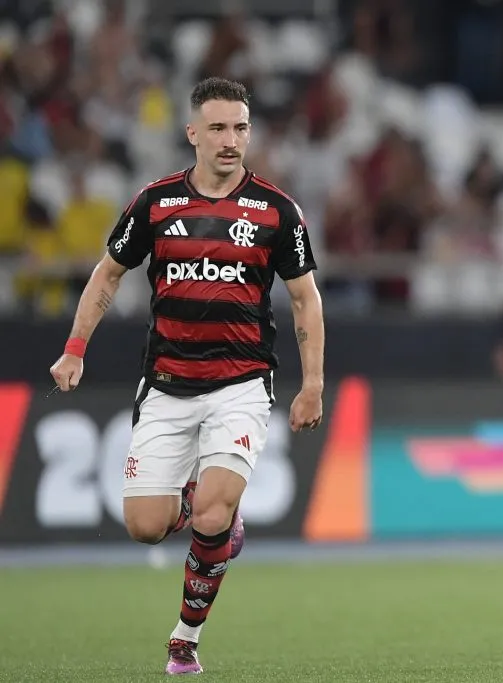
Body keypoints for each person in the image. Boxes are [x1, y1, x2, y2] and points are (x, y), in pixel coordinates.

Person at [48, 77, 325, 675]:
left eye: (242, 128)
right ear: (193, 133)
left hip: (242, 385)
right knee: (146, 527)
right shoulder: (155, 203)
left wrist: (313, 385)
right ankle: (212, 515)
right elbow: (106, 276)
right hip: (168, 385)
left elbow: (305, 299)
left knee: (211, 517)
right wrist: (74, 349)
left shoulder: (277, 211)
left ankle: (185, 639)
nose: (232, 140)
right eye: (219, 128)